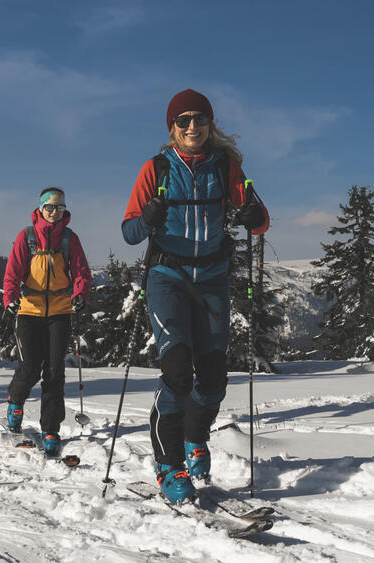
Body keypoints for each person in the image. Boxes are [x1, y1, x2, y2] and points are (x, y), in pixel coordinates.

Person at [121, 89, 269, 503]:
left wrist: (255, 216)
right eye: (183, 120)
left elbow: (259, 220)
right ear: (172, 127)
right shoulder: (156, 168)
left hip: (213, 279)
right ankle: (169, 466)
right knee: (177, 371)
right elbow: (130, 233)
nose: (192, 127)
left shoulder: (227, 167)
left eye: (199, 119)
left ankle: (194, 437)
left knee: (214, 380)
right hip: (167, 277)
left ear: (210, 124)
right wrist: (148, 215)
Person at [3, 187, 92, 456]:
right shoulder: (27, 236)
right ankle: (15, 402)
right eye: (49, 207)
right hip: (29, 311)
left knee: (54, 372)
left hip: (60, 312)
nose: (54, 212)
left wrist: (80, 295)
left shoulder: (69, 239)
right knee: (29, 368)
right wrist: (10, 299)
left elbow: (82, 273)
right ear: (40, 208)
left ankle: (51, 428)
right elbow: (12, 274)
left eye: (59, 207)